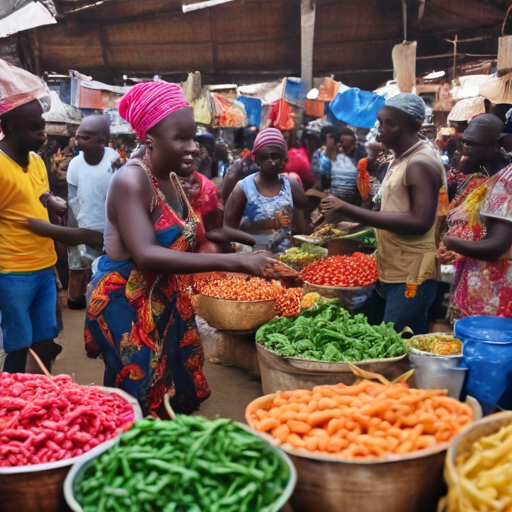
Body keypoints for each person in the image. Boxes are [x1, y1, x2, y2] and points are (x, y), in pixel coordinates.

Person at [85, 81, 274, 416]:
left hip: (165, 295)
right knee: (139, 393)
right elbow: (145, 254)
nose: (193, 147)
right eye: (180, 138)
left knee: (176, 383)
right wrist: (236, 262)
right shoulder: (132, 181)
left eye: (193, 136)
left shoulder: (171, 179)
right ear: (149, 140)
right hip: (126, 301)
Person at [321, 93, 446, 334]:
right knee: (377, 340)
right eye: (380, 122)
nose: (381, 129)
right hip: (389, 268)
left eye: (391, 123)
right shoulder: (399, 159)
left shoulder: (420, 163)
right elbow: (390, 212)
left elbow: (420, 221)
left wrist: (346, 208)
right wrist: (345, 221)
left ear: (414, 126)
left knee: (397, 348)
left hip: (411, 275)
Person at [0, 97, 65, 373]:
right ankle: (8, 403)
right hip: (12, 271)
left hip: (44, 266)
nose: (43, 133)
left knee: (45, 341)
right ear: (10, 127)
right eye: (34, 126)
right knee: (19, 345)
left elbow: (40, 191)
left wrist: (51, 200)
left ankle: (40, 401)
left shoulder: (38, 161)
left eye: (43, 125)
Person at [222, 128, 310, 254]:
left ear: (284, 160)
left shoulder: (292, 186)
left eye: (276, 157)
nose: (271, 162)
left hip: (284, 260)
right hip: (249, 259)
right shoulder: (243, 188)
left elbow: (300, 228)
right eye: (265, 157)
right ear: (255, 158)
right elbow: (228, 230)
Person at [66, 115, 121, 309]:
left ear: (101, 141)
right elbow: (73, 196)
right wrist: (81, 222)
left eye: (85, 136)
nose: (79, 141)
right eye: (79, 136)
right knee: (77, 269)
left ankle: (100, 302)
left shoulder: (113, 159)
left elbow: (120, 195)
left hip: (109, 228)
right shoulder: (75, 164)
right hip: (84, 226)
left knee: (103, 270)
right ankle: (75, 299)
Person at [446, 115, 509, 202]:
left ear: (496, 145)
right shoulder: (461, 174)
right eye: (464, 142)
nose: (465, 147)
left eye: (471, 144)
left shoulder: (507, 176)